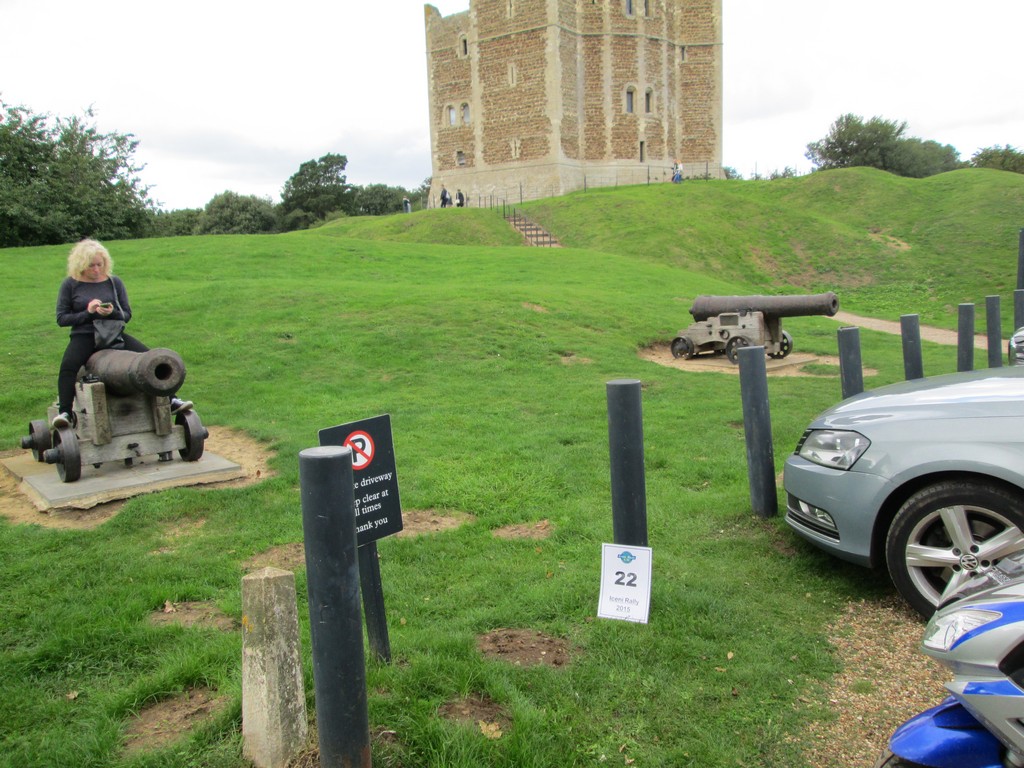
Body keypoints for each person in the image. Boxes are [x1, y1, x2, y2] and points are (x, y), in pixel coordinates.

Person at [52, 239, 192, 429]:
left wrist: (111, 313)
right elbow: (62, 318)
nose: (96, 269)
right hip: (84, 335)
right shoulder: (70, 285)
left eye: (99, 265)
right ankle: (66, 412)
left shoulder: (114, 282)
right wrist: (88, 312)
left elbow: (126, 314)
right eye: (91, 265)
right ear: (81, 265)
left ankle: (171, 400)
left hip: (113, 334)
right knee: (68, 367)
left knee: (151, 359)